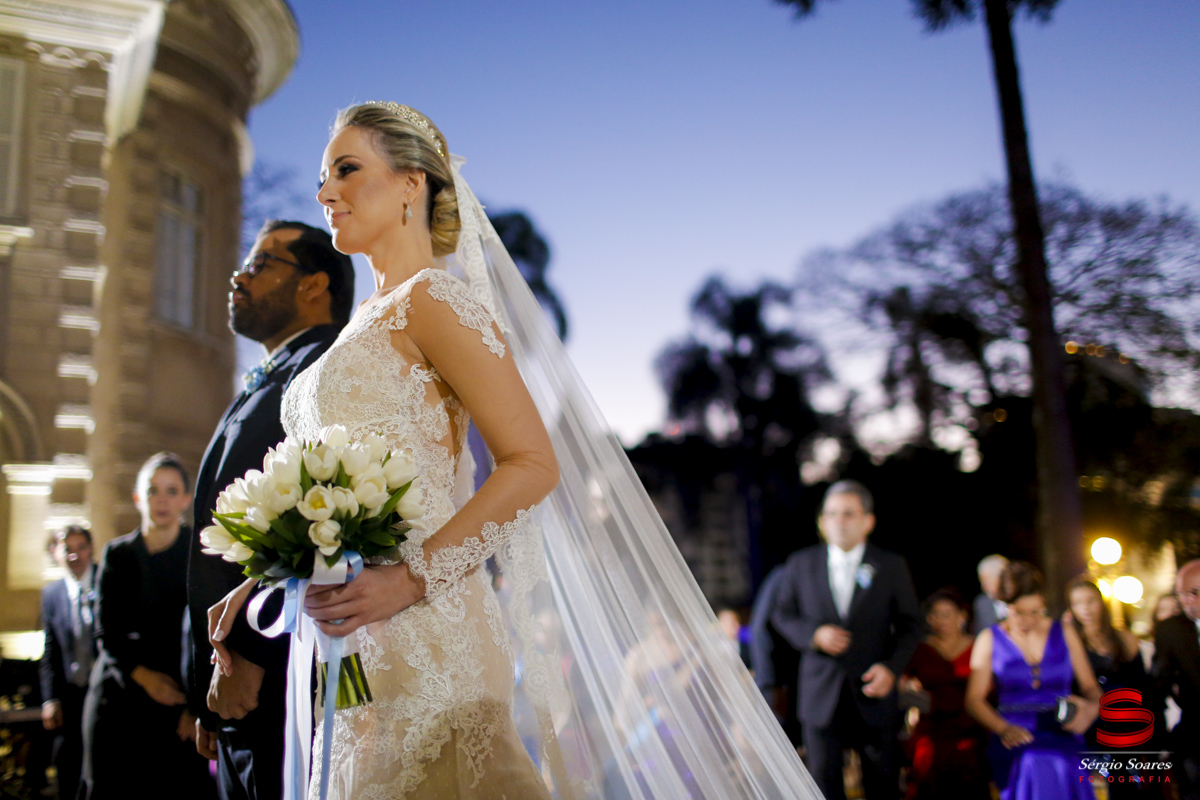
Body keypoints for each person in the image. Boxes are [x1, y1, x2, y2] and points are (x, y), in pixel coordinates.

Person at [208, 102, 823, 799]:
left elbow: (533, 464)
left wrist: (408, 579)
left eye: (347, 170)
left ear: (412, 184)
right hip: (350, 647)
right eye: (323, 178)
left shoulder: (434, 300)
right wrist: (263, 583)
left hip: (430, 636)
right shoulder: (358, 329)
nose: (325, 193)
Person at [187, 219, 353, 800]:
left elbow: (327, 519)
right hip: (237, 688)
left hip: (285, 677)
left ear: (313, 285)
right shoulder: (270, 375)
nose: (240, 277)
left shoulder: (326, 371)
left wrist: (251, 656)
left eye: (260, 265)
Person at [770, 479, 923, 800]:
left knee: (883, 786)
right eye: (832, 514)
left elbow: (911, 626)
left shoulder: (891, 566)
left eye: (849, 514)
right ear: (821, 522)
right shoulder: (800, 564)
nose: (840, 521)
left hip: (873, 693)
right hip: (819, 695)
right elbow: (781, 615)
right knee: (823, 785)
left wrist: (892, 670)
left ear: (868, 521)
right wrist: (814, 635)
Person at [80, 453, 214, 800]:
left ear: (186, 499)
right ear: (138, 498)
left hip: (178, 705)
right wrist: (145, 677)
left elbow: (207, 631)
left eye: (172, 491)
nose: (162, 500)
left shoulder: (198, 554)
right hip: (119, 696)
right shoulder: (118, 554)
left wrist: (196, 707)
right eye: (153, 491)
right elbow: (105, 632)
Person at [965, 561, 1100, 800]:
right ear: (1004, 606)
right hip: (1012, 729)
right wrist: (1003, 728)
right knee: (1031, 760)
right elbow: (974, 700)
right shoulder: (989, 638)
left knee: (1065, 760)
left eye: (1035, 612)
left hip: (1062, 726)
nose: (1027, 620)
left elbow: (1090, 687)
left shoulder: (1064, 632)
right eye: (1018, 612)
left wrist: (1091, 709)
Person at [1066, 576, 1155, 797]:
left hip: (1128, 721)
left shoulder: (1123, 637)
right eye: (1077, 603)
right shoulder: (1071, 642)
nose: (1085, 609)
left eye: (1090, 601)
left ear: (1101, 602)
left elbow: (1141, 684)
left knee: (1132, 784)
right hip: (1093, 725)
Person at [902, 588, 989, 800]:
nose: (941, 620)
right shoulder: (920, 649)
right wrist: (912, 701)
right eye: (935, 614)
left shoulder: (979, 646)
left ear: (962, 616)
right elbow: (901, 684)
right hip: (932, 728)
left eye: (947, 614)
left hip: (971, 728)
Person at [39, 525, 97, 800]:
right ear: (56, 553)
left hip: (103, 692)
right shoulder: (51, 594)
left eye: (81, 548)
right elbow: (50, 651)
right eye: (68, 549)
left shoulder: (106, 579)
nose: (75, 556)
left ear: (90, 550)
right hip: (70, 694)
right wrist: (50, 699)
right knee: (67, 765)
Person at [1153, 559, 1200, 800]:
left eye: (1194, 593)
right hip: (1194, 731)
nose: (1187, 601)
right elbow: (1158, 684)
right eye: (1182, 595)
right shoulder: (1171, 630)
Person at [749, 563, 803, 747]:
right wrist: (769, 682)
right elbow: (759, 629)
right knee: (781, 743)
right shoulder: (788, 574)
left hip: (803, 680)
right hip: (782, 681)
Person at [973, 554, 1009, 634]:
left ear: (1001, 578)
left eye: (986, 581)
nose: (983, 587)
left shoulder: (1020, 600)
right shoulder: (982, 604)